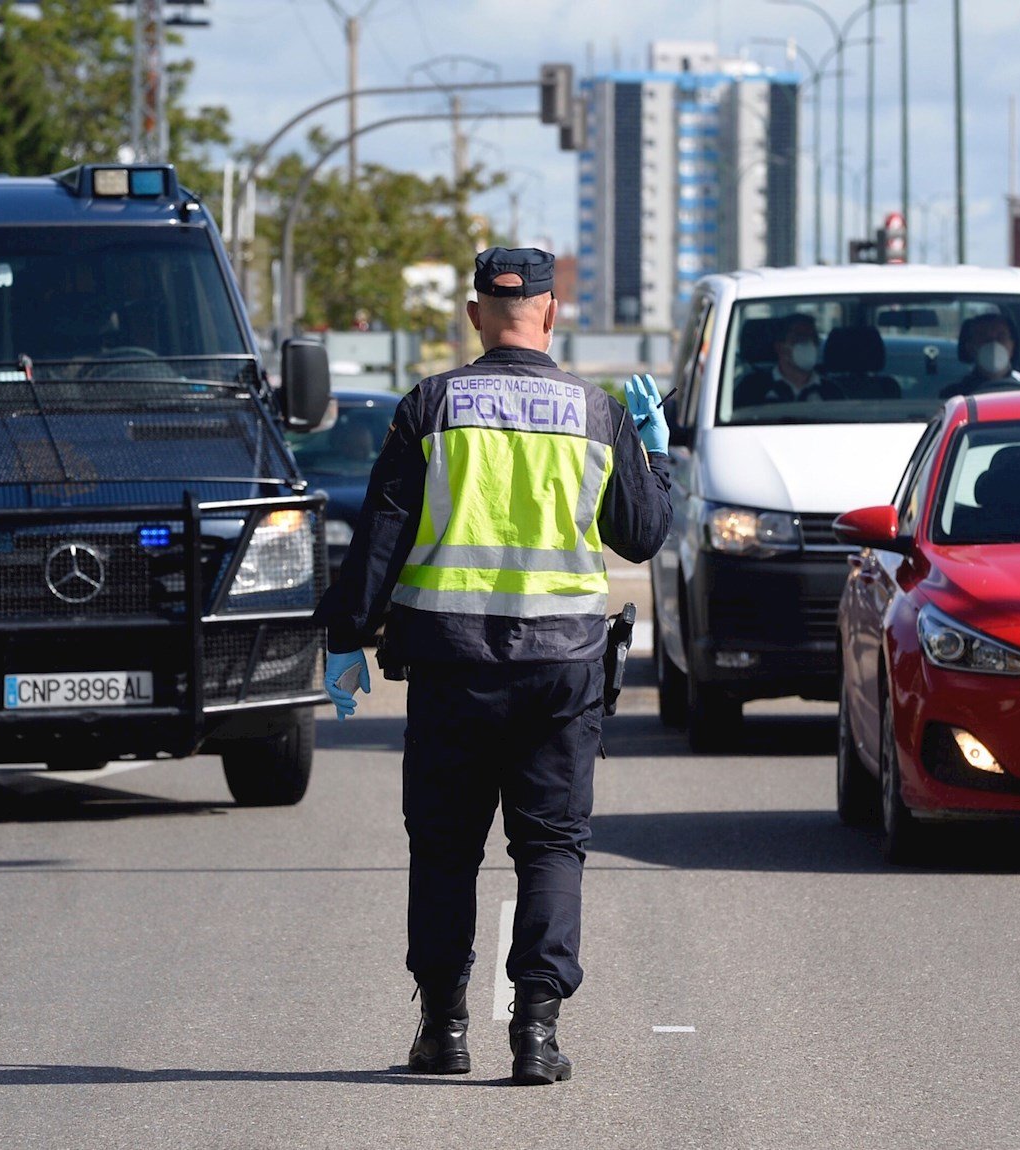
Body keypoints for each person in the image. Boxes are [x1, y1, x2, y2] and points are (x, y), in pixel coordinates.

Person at [315, 247, 672, 1085]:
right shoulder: (597, 413)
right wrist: (653, 457)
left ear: (476, 315)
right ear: (551, 315)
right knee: (550, 846)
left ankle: (443, 1031)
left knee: (444, 849)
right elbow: (643, 536)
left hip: (450, 667)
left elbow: (380, 537)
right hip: (563, 672)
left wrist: (343, 637)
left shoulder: (430, 407)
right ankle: (537, 1036)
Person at [734, 313, 838, 407]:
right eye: (799, 338)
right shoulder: (751, 389)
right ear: (779, 347)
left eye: (813, 338)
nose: (809, 344)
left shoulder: (831, 392)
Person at [940, 313, 1020, 398]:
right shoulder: (954, 396)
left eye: (1001, 337)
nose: (994, 344)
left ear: (1012, 345)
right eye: (984, 337)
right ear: (970, 347)